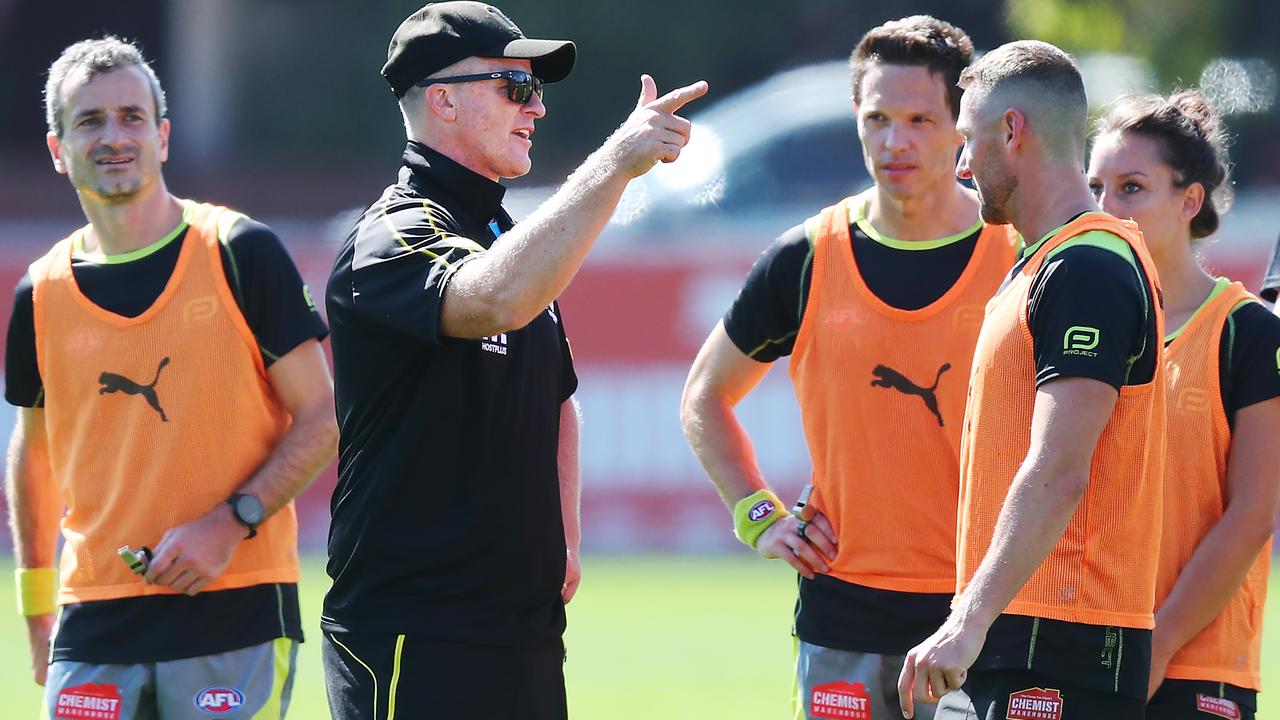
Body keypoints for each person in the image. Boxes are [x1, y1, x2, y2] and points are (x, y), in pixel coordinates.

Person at [321, 3, 706, 718]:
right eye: (515, 88)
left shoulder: (499, 227)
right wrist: (616, 164)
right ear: (442, 100)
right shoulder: (392, 234)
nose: (538, 108)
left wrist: (563, 538)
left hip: (516, 628)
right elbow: (492, 301)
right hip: (416, 631)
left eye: (536, 90)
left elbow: (558, 396)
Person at [679, 16, 1017, 719]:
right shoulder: (804, 258)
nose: (896, 142)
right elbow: (704, 398)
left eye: (921, 119)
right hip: (842, 619)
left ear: (962, 126)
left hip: (984, 619)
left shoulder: (1021, 257)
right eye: (878, 119)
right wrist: (760, 515)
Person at [5, 37, 337, 719]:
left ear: (162, 135)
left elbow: (323, 419)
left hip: (234, 610)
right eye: (89, 121)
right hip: (91, 621)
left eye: (131, 117)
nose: (114, 136)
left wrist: (229, 522)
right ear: (57, 148)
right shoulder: (38, 293)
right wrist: (37, 610)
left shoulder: (241, 252)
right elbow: (32, 456)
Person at [897, 41, 1167, 719]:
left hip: (1062, 643)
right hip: (1023, 636)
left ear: (1012, 131)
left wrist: (968, 621)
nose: (960, 165)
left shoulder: (1086, 268)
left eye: (966, 140)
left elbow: (1057, 470)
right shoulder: (1042, 264)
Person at [1089, 91, 1280, 720]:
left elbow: (1252, 514)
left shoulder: (1245, 331)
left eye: (1132, 188)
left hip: (1196, 667)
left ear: (1189, 200)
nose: (1106, 209)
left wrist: (1160, 641)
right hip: (1079, 651)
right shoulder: (1075, 326)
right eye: (1097, 188)